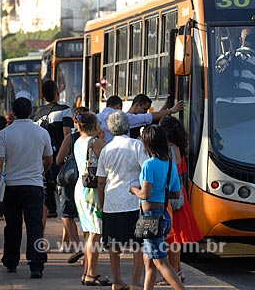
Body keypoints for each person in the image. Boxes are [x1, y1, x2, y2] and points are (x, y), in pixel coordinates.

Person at [0, 97, 53, 278]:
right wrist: (41, 171)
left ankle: (11, 261)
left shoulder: (4, 134)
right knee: (35, 226)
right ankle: (36, 264)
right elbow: (48, 159)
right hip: (34, 186)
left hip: (12, 187)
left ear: (13, 113)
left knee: (12, 226)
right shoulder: (42, 133)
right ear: (31, 111)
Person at [97, 110, 149, 290]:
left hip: (112, 202)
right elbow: (146, 170)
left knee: (113, 244)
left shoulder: (106, 149)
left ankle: (117, 280)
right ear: (128, 126)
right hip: (134, 201)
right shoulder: (137, 145)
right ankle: (135, 282)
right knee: (137, 244)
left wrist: (102, 205)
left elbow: (101, 181)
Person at [130, 125, 184, 290]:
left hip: (150, 218)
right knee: (150, 263)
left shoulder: (148, 165)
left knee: (160, 262)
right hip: (163, 215)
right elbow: (175, 193)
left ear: (147, 144)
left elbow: (145, 194)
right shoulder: (169, 165)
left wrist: (133, 190)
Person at [156, 116, 203, 285]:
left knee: (171, 237)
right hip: (179, 192)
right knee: (174, 237)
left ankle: (174, 273)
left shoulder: (168, 148)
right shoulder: (179, 147)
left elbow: (169, 171)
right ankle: (177, 271)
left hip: (171, 194)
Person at [73, 111, 110, 286]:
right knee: (95, 233)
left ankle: (86, 271)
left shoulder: (78, 141)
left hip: (81, 187)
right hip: (92, 191)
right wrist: (102, 139)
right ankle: (91, 274)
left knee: (88, 232)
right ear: (95, 126)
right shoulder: (95, 142)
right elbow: (108, 159)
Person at [33, 80, 74, 219]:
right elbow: (67, 134)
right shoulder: (65, 110)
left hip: (43, 156)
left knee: (47, 185)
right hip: (59, 156)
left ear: (43, 96)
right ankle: (67, 213)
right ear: (57, 93)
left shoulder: (38, 114)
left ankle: (50, 209)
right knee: (63, 186)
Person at [55, 106, 89, 264]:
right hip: (89, 182)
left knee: (66, 214)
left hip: (71, 182)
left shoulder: (71, 138)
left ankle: (77, 246)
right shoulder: (96, 139)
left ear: (75, 121)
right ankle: (89, 254)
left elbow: (58, 160)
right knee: (88, 220)